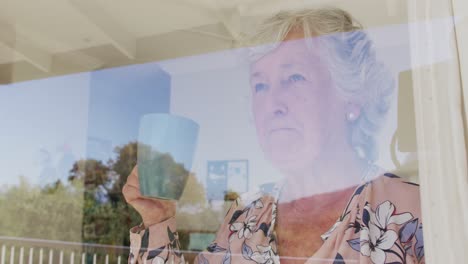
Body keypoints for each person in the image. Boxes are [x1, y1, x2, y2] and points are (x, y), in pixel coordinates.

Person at [123, 7, 425, 264]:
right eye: (260, 86)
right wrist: (158, 221)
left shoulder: (413, 210)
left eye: (294, 78)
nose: (272, 105)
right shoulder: (246, 216)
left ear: (352, 98)